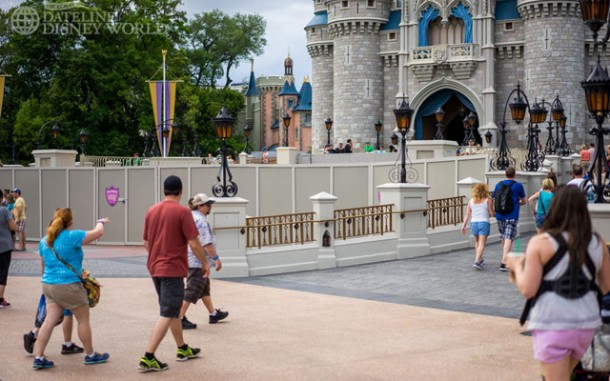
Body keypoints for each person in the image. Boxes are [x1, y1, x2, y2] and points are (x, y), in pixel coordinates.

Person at [507, 185, 610, 381]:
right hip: (586, 325)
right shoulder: (597, 243)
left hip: (553, 324)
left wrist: (517, 265)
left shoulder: (541, 242)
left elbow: (528, 289)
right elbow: (606, 287)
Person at [139, 175, 210, 372]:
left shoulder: (151, 210)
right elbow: (194, 242)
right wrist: (205, 262)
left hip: (154, 266)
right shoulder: (182, 212)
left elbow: (146, 242)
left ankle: (182, 348)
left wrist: (156, 255)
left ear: (164, 191)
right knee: (168, 311)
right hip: (172, 268)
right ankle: (148, 357)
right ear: (181, 191)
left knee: (172, 309)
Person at [33, 208, 110, 370]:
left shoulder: (44, 240)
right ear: (70, 222)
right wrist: (100, 222)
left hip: (48, 285)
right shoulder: (72, 236)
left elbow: (43, 266)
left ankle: (39, 357)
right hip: (69, 285)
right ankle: (90, 355)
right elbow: (97, 233)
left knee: (48, 321)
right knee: (83, 320)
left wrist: (47, 284)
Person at [180, 194, 228, 330]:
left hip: (195, 259)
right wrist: (216, 259)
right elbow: (206, 243)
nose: (209, 207)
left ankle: (213, 314)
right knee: (192, 289)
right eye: (207, 205)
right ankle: (179, 317)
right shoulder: (200, 221)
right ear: (200, 206)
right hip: (197, 261)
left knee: (204, 288)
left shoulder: (192, 217)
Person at [493, 167, 526, 272]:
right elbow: (523, 200)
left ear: (505, 174)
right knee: (508, 238)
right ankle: (504, 262)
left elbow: (495, 198)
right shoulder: (518, 185)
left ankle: (505, 258)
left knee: (504, 237)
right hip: (512, 215)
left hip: (500, 215)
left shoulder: (498, 185)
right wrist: (519, 202)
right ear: (514, 174)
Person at [461, 183, 495, 270]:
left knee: (477, 242)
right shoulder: (488, 200)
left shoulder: (471, 201)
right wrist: (496, 214)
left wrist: (464, 225)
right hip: (484, 223)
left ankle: (479, 258)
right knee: (482, 243)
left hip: (474, 223)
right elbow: (491, 213)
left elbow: (467, 214)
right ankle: (477, 260)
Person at [0, 191, 17, 308]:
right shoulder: (4, 210)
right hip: (4, 245)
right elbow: (12, 226)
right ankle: (0, 299)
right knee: (2, 272)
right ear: (1, 198)